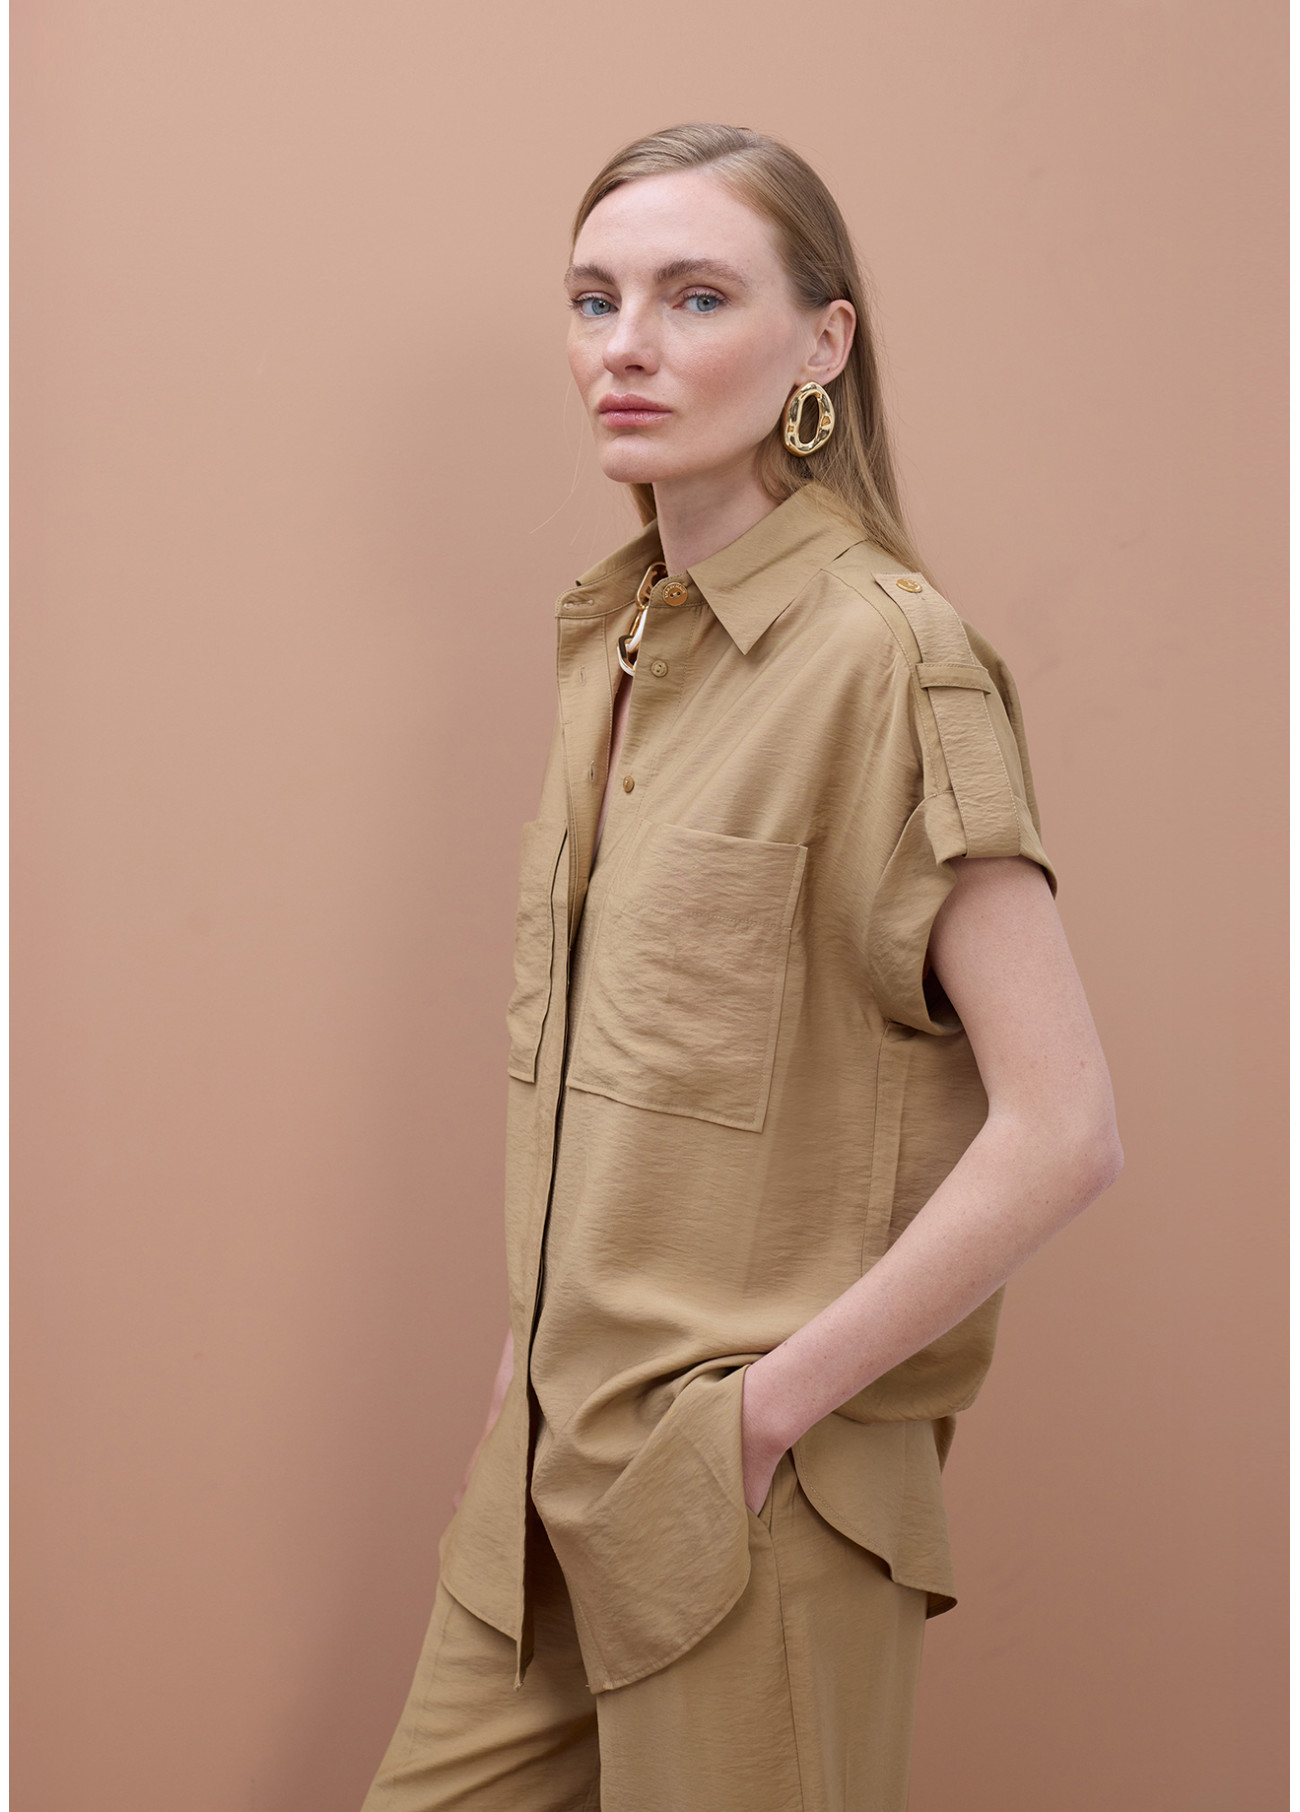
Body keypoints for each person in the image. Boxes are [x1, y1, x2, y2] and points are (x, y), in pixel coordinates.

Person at [359, 122, 1123, 1812]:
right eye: (595, 299)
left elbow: (1064, 1128)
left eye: (695, 298)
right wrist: (522, 1375)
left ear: (821, 343)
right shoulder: (617, 644)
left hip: (750, 1499)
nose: (624, 345)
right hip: (546, 1478)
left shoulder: (888, 659)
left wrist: (764, 1417)